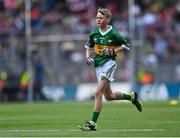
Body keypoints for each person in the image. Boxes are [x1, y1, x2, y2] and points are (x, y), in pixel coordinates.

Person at [79, 7, 143, 131]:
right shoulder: (94, 33)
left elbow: (126, 45)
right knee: (109, 96)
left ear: (107, 19)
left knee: (97, 93)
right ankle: (132, 97)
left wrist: (113, 50)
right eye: (97, 17)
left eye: (101, 18)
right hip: (98, 65)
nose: (98, 20)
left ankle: (92, 124)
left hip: (109, 64)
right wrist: (87, 57)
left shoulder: (114, 33)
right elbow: (88, 47)